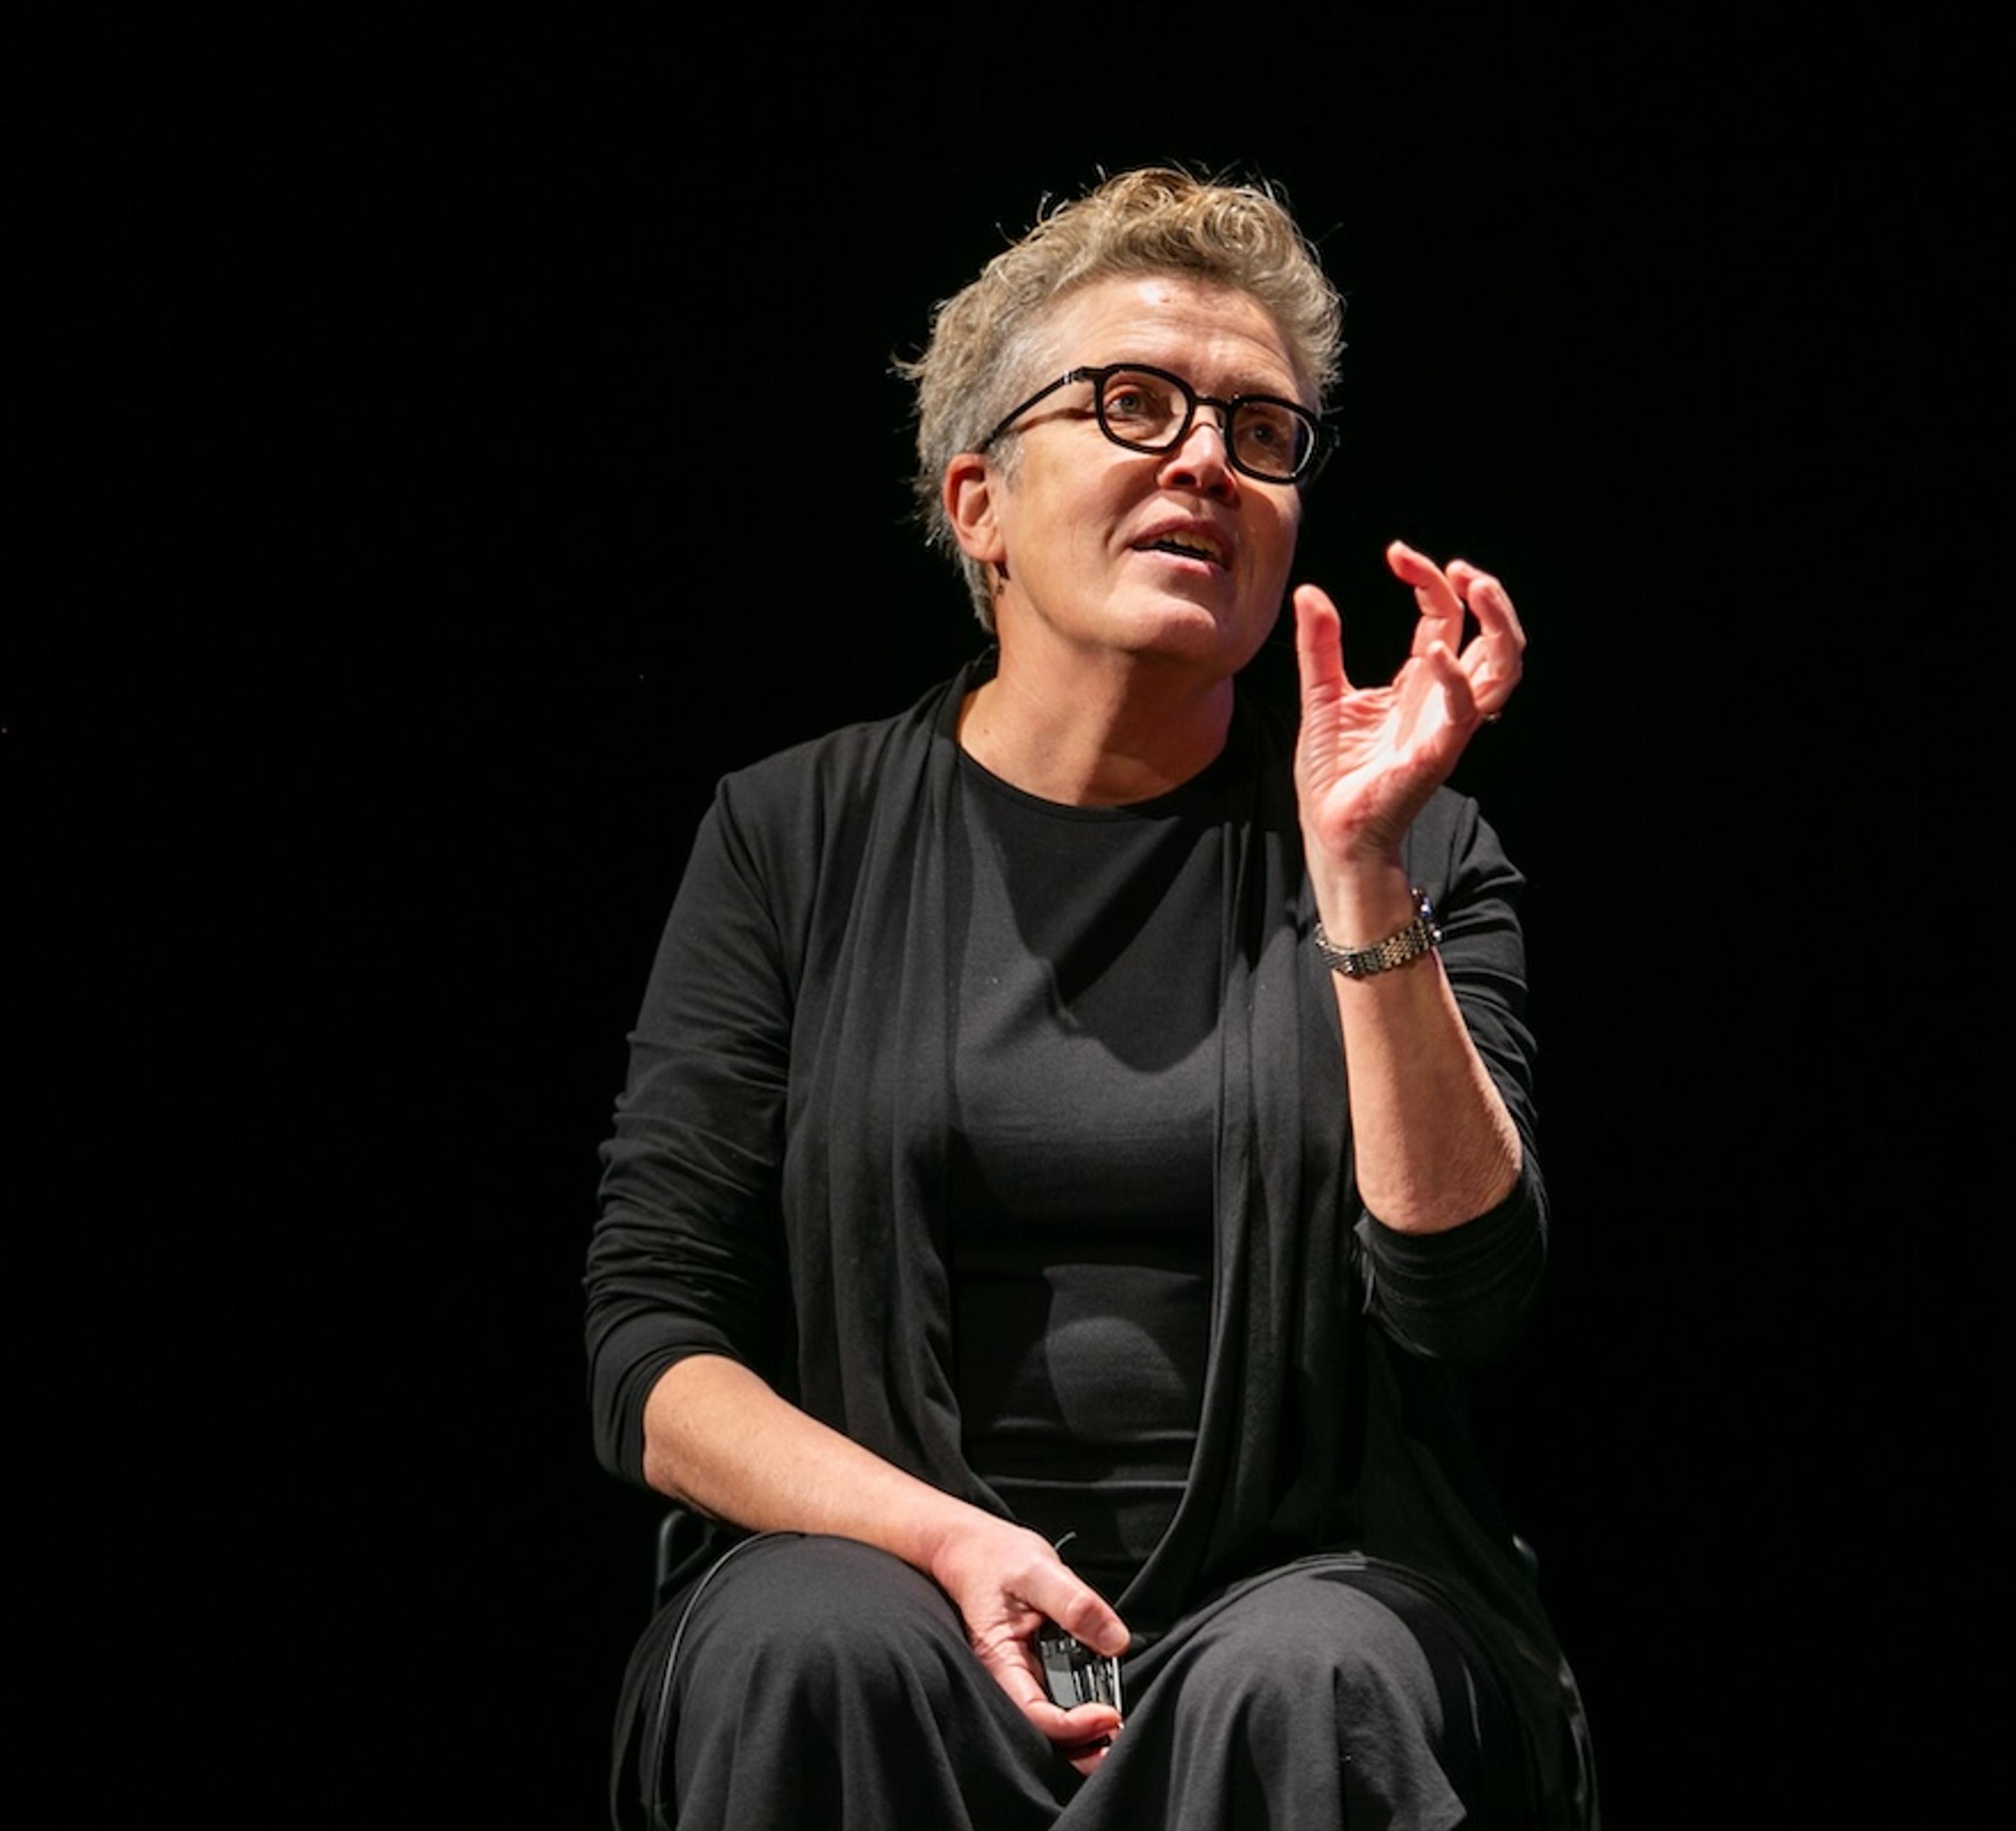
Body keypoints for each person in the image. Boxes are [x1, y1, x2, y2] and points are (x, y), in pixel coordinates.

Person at [586, 167, 1595, 1828]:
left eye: (1261, 431)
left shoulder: (1421, 849)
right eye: (1136, 405)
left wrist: (1358, 878)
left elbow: (1463, 1298)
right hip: (891, 1584)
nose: (1205, 456)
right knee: (802, 1644)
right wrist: (940, 1538)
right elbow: (650, 1347)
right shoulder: (788, 836)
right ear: (977, 500)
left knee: (1311, 1680)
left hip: (1304, 1590)